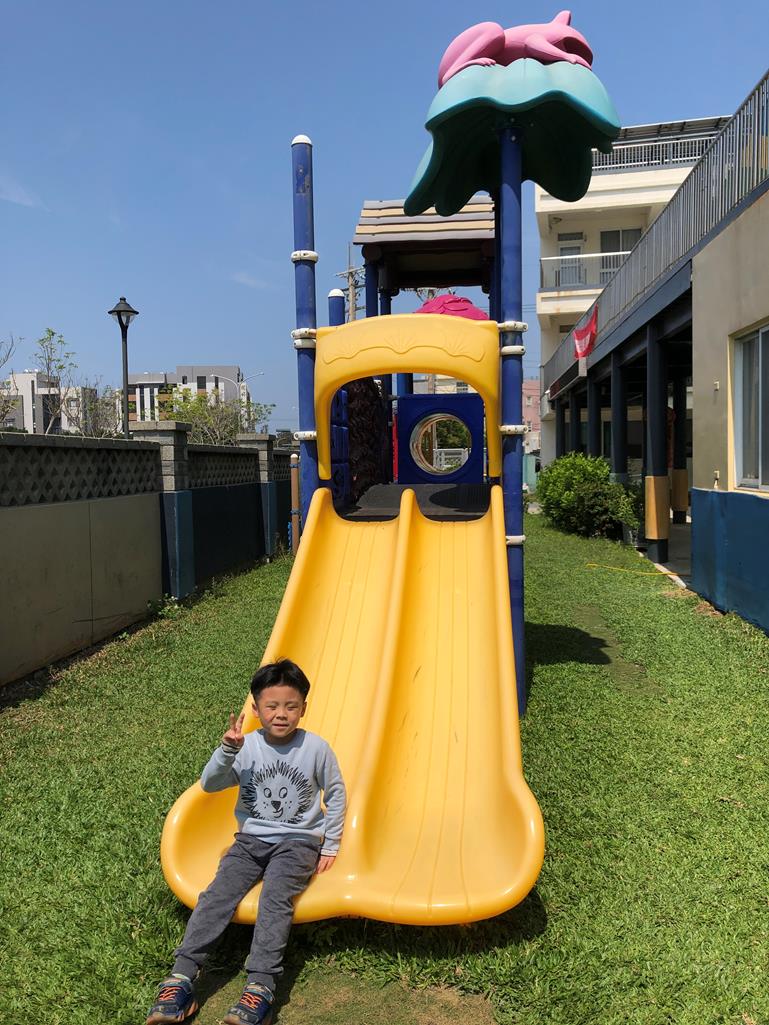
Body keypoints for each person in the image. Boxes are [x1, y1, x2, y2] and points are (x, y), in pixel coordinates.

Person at [147, 658, 346, 1025]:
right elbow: (210, 784)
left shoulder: (316, 748)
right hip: (251, 842)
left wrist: (330, 842)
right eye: (272, 706)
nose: (281, 714)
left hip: (297, 843)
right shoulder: (246, 746)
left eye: (291, 706)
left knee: (275, 898)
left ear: (304, 708)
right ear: (256, 709)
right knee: (216, 895)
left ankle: (261, 986)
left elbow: (336, 794)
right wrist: (227, 750)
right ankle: (181, 977)